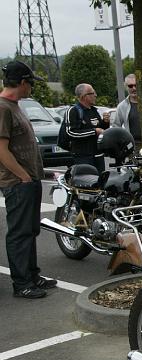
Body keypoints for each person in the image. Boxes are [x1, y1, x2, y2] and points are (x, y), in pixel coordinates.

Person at [0, 61, 57, 298]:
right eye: (31, 83)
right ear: (22, 83)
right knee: (20, 233)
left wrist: (40, 173)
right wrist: (23, 176)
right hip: (17, 184)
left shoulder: (14, 106)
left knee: (30, 231)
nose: (31, 88)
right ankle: (22, 283)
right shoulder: (3, 108)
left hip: (29, 181)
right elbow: (1, 149)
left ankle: (32, 275)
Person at [66, 83, 110, 173]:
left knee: (101, 181)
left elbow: (100, 128)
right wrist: (94, 131)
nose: (95, 95)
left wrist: (105, 122)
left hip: (98, 155)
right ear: (83, 96)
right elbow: (71, 133)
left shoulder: (94, 110)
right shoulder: (73, 111)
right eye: (92, 93)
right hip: (83, 157)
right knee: (88, 182)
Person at [112, 74, 141, 152]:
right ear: (126, 87)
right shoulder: (122, 106)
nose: (134, 88)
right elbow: (116, 126)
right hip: (132, 145)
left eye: (136, 85)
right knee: (134, 164)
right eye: (130, 86)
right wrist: (123, 141)